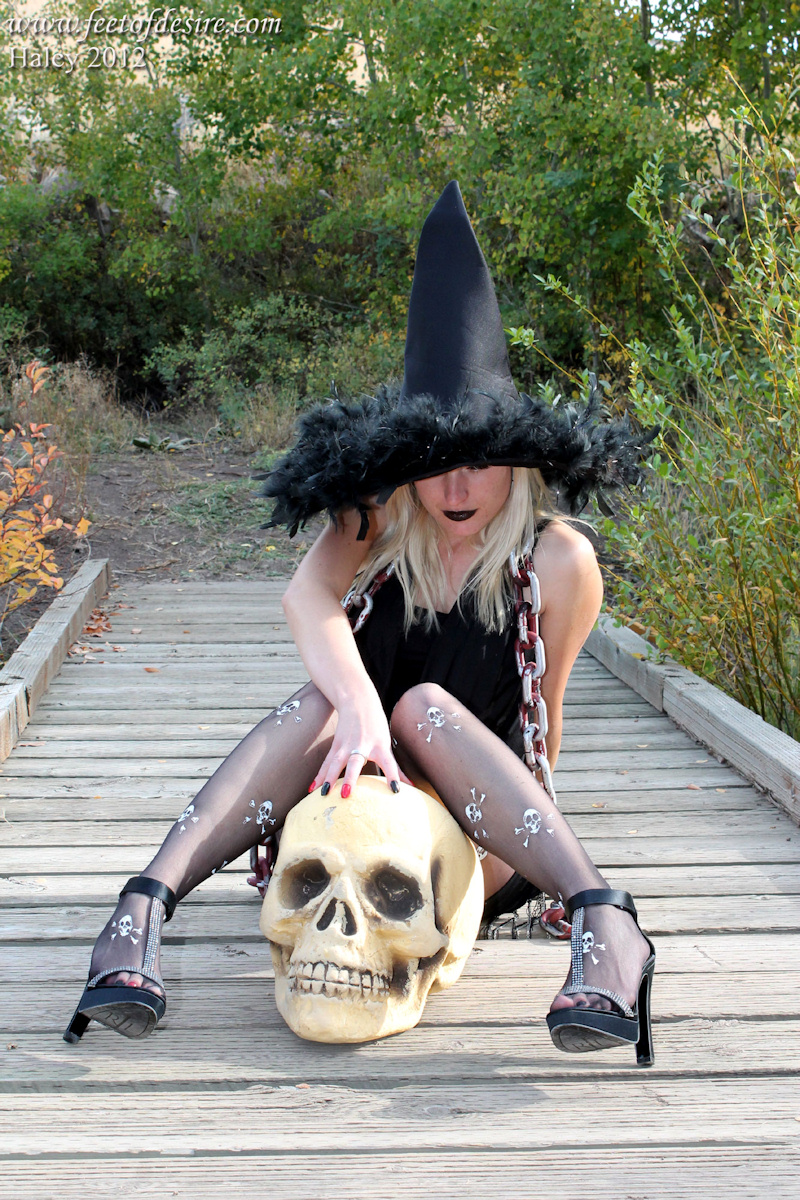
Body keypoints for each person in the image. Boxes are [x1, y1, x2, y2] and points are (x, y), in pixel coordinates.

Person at [65, 182, 656, 1064]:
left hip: (480, 834)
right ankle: (144, 903)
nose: (458, 487)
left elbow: (546, 725)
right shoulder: (375, 520)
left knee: (424, 706)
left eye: (483, 460)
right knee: (326, 700)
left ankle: (604, 917)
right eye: (436, 461)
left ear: (521, 462)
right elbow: (304, 599)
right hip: (354, 806)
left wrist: (506, 845)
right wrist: (357, 709)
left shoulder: (558, 561)